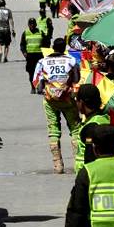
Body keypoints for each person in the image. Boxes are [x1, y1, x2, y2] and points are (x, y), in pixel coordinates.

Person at [32, 38, 80, 174]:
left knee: (53, 130)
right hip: (68, 99)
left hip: (50, 100)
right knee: (75, 129)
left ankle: (58, 166)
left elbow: (36, 82)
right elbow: (76, 79)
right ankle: (77, 164)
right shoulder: (71, 60)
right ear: (64, 48)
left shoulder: (43, 62)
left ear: (53, 48)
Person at [74, 84, 111, 174]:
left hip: (89, 175)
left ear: (82, 103)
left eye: (77, 101)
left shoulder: (90, 128)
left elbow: (90, 156)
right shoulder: (104, 119)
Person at [20, 18, 45, 94]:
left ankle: (39, 87)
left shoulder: (40, 32)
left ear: (36, 24)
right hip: (30, 56)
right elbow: (22, 44)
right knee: (31, 72)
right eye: (30, 24)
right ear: (28, 25)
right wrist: (24, 52)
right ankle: (33, 87)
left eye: (33, 23)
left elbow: (45, 42)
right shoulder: (25, 33)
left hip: (39, 55)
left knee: (40, 73)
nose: (32, 25)